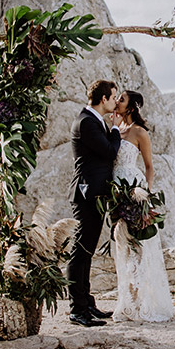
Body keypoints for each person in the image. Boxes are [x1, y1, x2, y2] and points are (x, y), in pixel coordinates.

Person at [110, 90, 175, 322]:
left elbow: (149, 166)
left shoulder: (139, 132)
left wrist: (145, 193)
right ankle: (125, 300)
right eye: (116, 98)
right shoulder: (115, 129)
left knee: (136, 245)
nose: (116, 102)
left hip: (134, 190)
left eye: (121, 99)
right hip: (115, 190)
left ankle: (137, 303)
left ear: (132, 106)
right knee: (121, 242)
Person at [67, 79, 122, 327]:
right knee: (80, 252)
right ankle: (77, 310)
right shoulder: (86, 122)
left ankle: (87, 304)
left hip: (95, 194)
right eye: (113, 97)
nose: (115, 102)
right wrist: (116, 130)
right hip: (86, 193)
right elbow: (110, 151)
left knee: (87, 251)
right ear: (103, 99)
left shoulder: (93, 120)